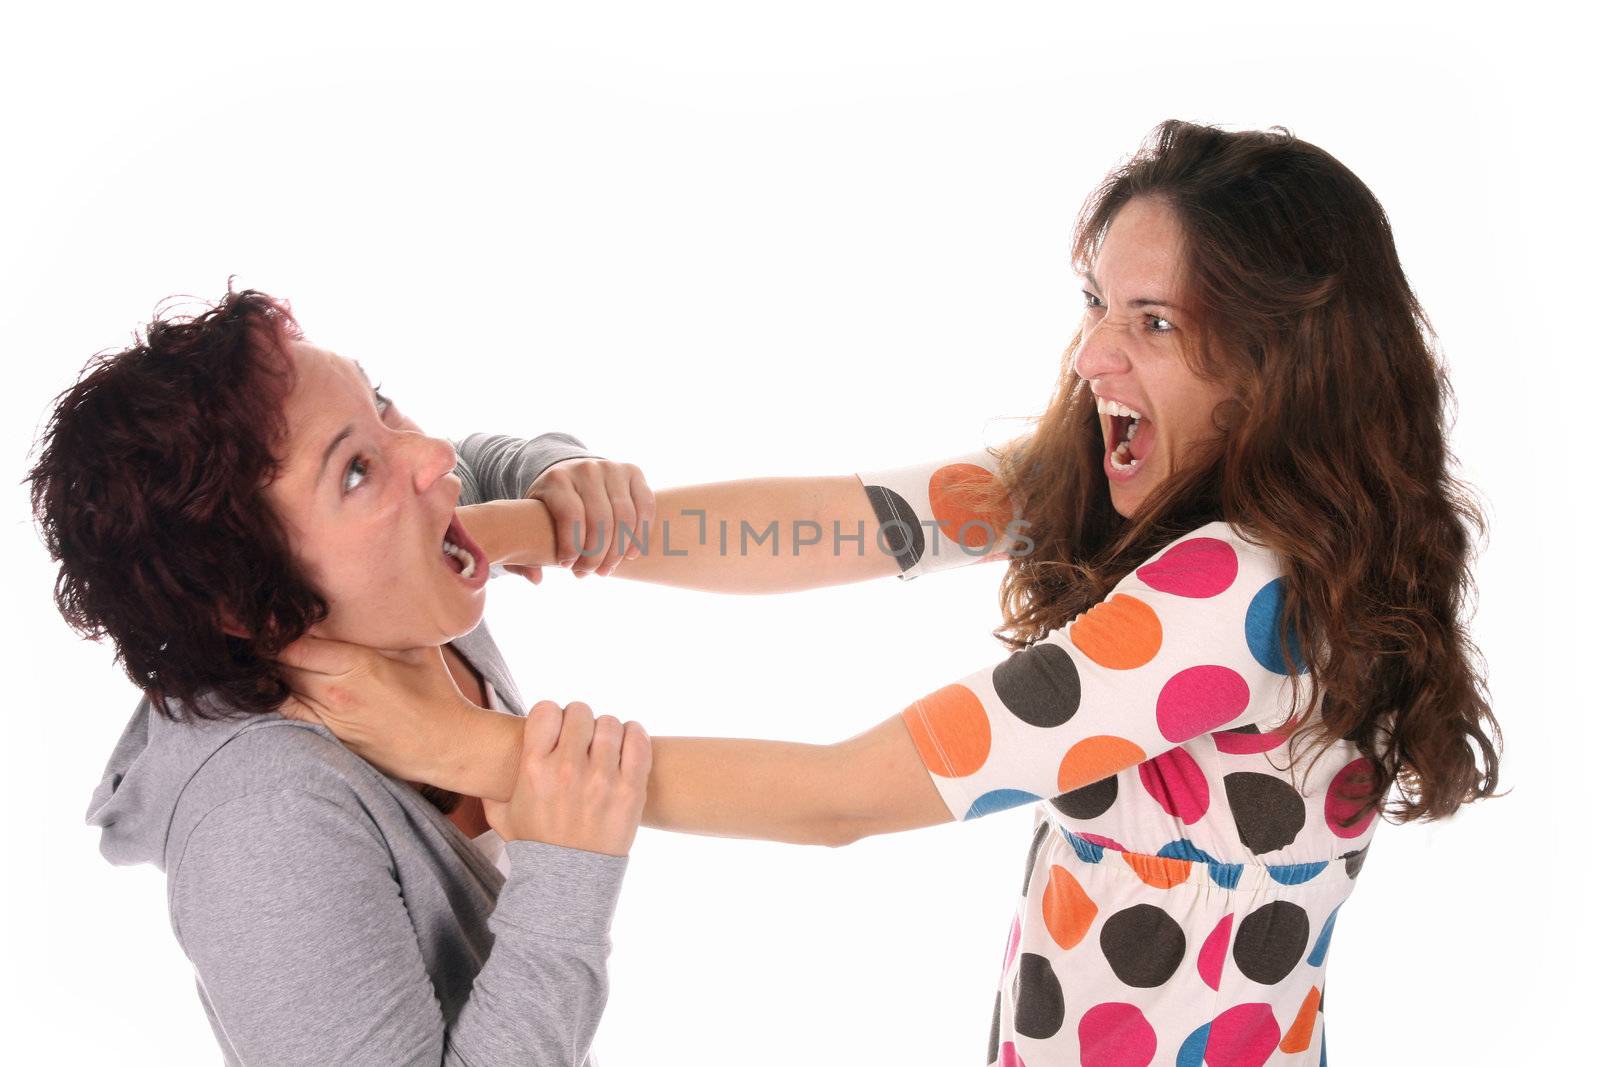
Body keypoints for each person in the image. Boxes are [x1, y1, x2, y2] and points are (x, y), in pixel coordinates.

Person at [279, 121, 1504, 1065]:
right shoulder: (1164, 493)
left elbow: (838, 796)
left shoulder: (1232, 594)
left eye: (1154, 323)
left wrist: (469, 744)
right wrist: (496, 528)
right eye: (1094, 304)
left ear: (1273, 365)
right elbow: (836, 523)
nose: (1092, 356)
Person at [26, 289, 661, 1066]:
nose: (429, 456)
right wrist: (565, 879)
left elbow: (471, 458)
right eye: (357, 469)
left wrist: (554, 466)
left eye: (383, 403)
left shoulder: (389, 581)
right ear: (255, 606)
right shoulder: (262, 823)